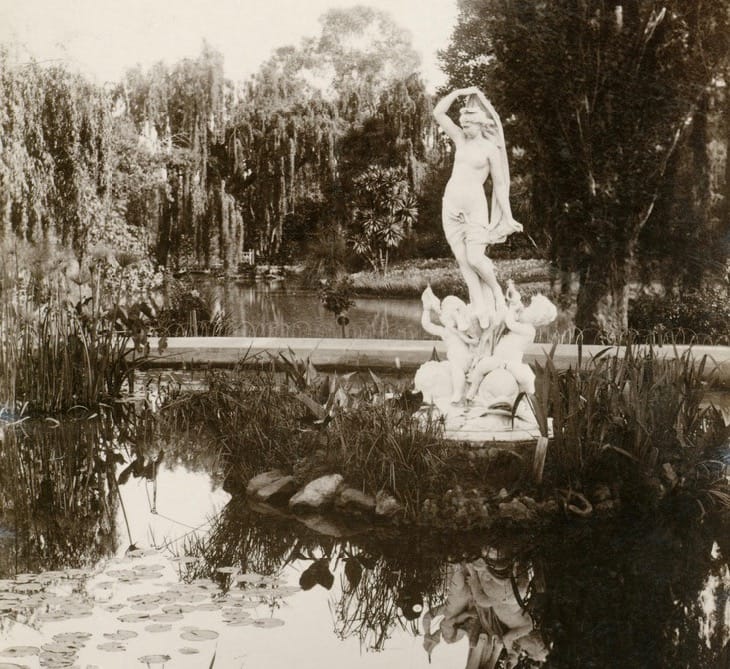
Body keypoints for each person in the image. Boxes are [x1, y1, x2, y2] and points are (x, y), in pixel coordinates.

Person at [433, 87, 522, 329]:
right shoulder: (460, 139)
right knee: (463, 261)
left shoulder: (490, 150)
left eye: (469, 125)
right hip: (450, 206)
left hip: (475, 209)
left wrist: (508, 215)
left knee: (474, 257)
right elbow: (439, 113)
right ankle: (479, 307)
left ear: (481, 125)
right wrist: (459, 92)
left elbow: (501, 185)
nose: (464, 128)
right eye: (463, 124)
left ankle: (495, 291)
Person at [465, 282, 557, 402]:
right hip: (497, 359)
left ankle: (529, 401)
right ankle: (472, 391)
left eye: (529, 309)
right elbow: (517, 305)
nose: (524, 309)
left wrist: (512, 309)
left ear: (536, 319)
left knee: (528, 379)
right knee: (480, 368)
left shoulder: (529, 330)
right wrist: (513, 292)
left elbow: (510, 322)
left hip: (512, 363)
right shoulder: (524, 324)